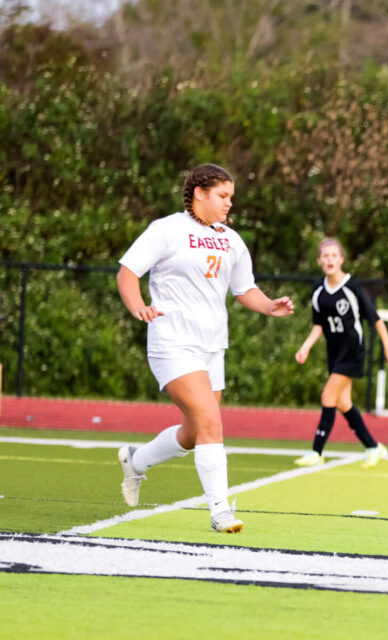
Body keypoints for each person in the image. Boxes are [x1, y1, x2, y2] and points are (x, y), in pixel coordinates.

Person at [115, 163, 295, 533]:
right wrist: (138, 307)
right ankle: (220, 512)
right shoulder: (166, 230)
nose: (230, 203)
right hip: (173, 342)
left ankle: (136, 460)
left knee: (196, 432)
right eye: (223, 196)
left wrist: (269, 305)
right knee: (212, 421)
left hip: (213, 347)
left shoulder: (231, 239)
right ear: (200, 192)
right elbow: (128, 272)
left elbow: (244, 289)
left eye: (231, 197)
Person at [293, 238, 388, 467]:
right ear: (319, 261)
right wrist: (306, 346)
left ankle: (316, 452)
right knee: (343, 403)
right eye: (325, 256)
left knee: (327, 397)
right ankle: (373, 446)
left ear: (341, 259)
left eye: (334, 255)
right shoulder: (318, 289)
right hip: (334, 352)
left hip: (353, 350)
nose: (330, 259)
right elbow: (319, 324)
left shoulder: (352, 287)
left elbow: (374, 319)